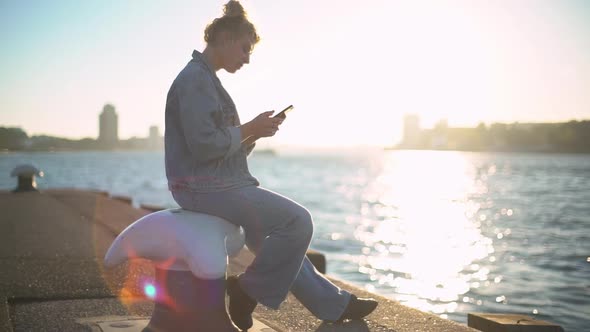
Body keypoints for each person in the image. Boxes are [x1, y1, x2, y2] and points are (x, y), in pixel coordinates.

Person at [164, 1, 378, 330]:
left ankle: (333, 305)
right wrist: (248, 128)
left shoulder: (207, 80)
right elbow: (204, 145)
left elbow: (218, 150)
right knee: (297, 222)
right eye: (245, 49)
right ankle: (245, 291)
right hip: (201, 187)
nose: (247, 59)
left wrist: (253, 136)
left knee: (277, 243)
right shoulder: (195, 80)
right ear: (223, 36)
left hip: (213, 183)